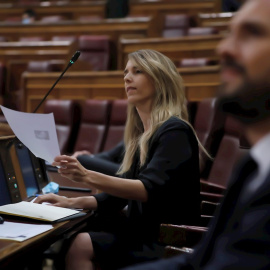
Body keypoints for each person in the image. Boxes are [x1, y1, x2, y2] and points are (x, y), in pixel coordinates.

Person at [122, 0, 270, 269]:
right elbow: (201, 262)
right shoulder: (252, 167)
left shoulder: (174, 130)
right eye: (229, 35)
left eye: (253, 33)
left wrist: (86, 175)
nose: (223, 48)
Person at [35, 49, 204, 270]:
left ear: (160, 80)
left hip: (166, 242)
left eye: (137, 71)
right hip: (142, 233)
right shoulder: (143, 136)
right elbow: (116, 198)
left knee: (80, 244)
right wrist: (70, 203)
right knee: (75, 237)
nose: (126, 77)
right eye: (125, 72)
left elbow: (146, 190)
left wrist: (86, 176)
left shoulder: (174, 132)